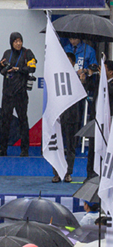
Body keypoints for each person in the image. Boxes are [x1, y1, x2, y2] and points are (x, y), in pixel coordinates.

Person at [0, 32, 36, 158]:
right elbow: (2, 71)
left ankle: (24, 150)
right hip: (7, 93)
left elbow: (32, 68)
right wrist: (1, 66)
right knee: (5, 122)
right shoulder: (7, 53)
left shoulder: (27, 53)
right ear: (11, 43)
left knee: (23, 121)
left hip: (21, 93)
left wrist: (18, 69)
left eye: (20, 41)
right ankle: (3, 149)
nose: (18, 43)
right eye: (16, 41)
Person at [52, 52, 82, 184]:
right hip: (58, 116)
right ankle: (57, 173)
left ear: (74, 63)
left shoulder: (78, 77)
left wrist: (82, 81)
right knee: (57, 146)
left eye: (69, 61)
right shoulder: (57, 76)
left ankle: (68, 173)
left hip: (73, 116)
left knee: (70, 147)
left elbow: (84, 94)